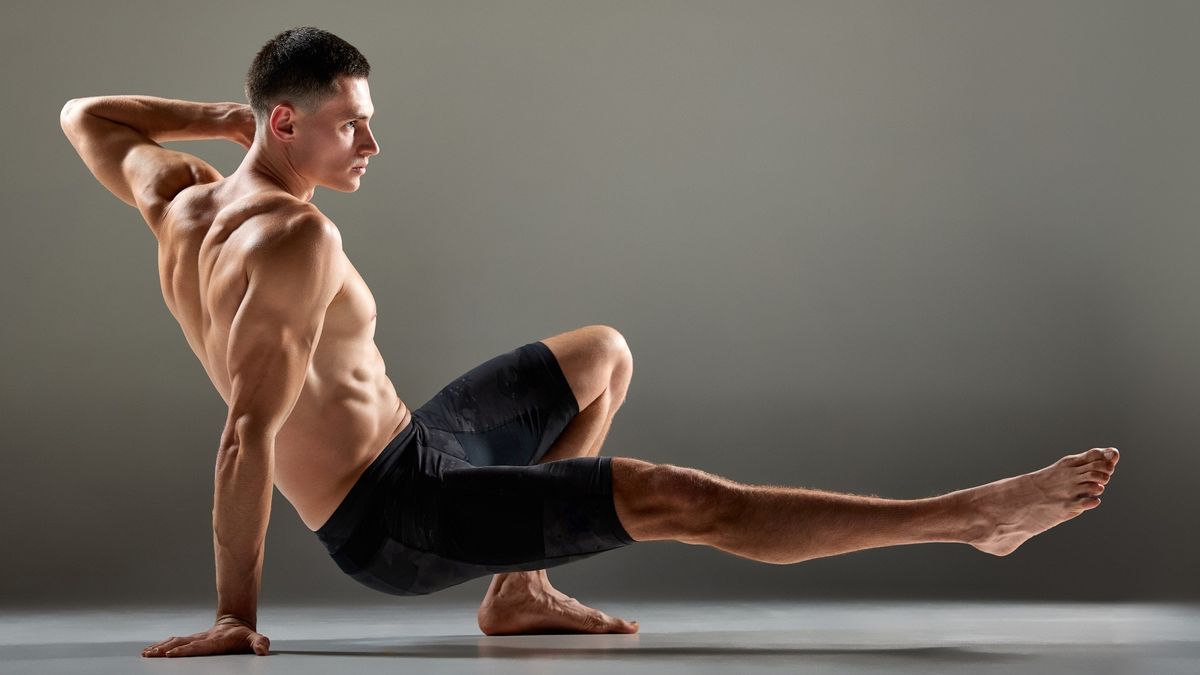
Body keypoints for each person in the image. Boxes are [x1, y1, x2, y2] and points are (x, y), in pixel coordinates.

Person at [60, 26, 1120, 660]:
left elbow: (86, 115)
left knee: (600, 352)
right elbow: (247, 431)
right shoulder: (293, 241)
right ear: (286, 125)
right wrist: (232, 616)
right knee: (677, 496)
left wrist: (223, 117)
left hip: (414, 450)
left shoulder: (179, 198)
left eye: (370, 118)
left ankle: (518, 590)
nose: (373, 142)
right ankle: (970, 521)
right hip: (395, 522)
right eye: (349, 125)